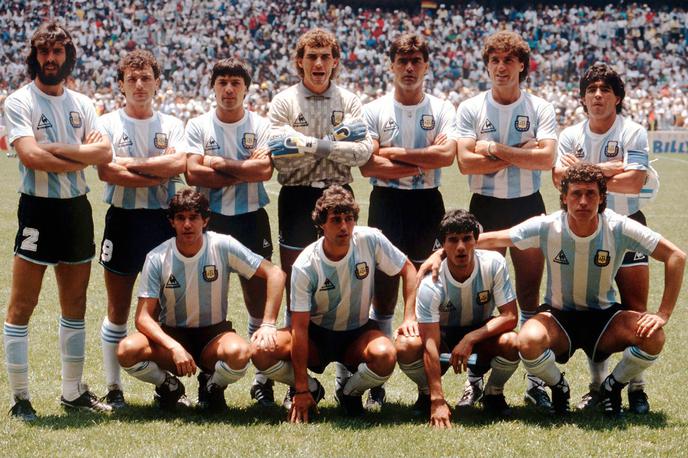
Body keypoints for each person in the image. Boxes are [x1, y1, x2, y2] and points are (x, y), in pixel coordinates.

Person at [480, 163, 685, 416]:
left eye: (591, 194)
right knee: (527, 340)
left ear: (601, 199)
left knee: (654, 337)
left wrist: (663, 313)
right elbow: (493, 239)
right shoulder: (548, 226)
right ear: (564, 197)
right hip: (558, 317)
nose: (583, 201)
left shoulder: (618, 226)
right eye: (576, 194)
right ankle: (558, 386)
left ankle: (612, 386)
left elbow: (676, 256)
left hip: (604, 317)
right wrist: (441, 254)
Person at [3, 21, 112, 421]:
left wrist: (59, 150)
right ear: (35, 56)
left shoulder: (83, 104)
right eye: (44, 52)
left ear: (68, 57)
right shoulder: (19, 101)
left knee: (75, 304)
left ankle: (72, 393)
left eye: (58, 52)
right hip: (37, 209)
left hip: (76, 210)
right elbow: (30, 157)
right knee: (22, 305)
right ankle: (20, 398)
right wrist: (80, 153)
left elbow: (104, 156)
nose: (51, 59)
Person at [454, 30, 557, 410]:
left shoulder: (540, 107)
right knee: (482, 298)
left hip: (528, 204)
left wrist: (495, 148)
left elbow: (546, 160)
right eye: (494, 60)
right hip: (484, 207)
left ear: (521, 66)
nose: (501, 67)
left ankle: (533, 382)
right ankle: (475, 381)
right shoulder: (470, 108)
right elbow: (466, 162)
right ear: (487, 66)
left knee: (529, 295)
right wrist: (521, 151)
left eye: (508, 60)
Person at [251, 186, 417, 421]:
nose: (344, 226)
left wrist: (409, 316)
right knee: (260, 351)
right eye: (336, 220)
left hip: (358, 333)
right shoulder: (306, 264)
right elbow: (299, 328)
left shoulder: (370, 239)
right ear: (321, 224)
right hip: (316, 337)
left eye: (349, 219)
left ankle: (350, 392)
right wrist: (301, 388)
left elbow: (408, 269)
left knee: (386, 355)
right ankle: (313, 389)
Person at [116, 189, 285, 411]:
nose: (187, 224)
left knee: (241, 353)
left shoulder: (222, 245)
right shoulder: (157, 257)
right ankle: (168, 386)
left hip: (213, 336)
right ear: (172, 222)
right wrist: (173, 346)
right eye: (181, 218)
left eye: (194, 217)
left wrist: (268, 324)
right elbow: (143, 317)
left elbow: (275, 274)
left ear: (205, 220)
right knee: (126, 350)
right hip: (172, 335)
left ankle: (213, 386)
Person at [553, 63, 659, 414]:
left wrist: (584, 173)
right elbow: (559, 179)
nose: (597, 95)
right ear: (583, 98)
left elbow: (634, 182)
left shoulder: (633, 131)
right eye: (591, 90)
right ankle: (598, 386)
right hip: (584, 229)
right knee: (593, 306)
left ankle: (635, 387)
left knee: (636, 311)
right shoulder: (570, 135)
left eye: (605, 89)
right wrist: (615, 168)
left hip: (628, 225)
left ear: (617, 97)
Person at [359, 32, 457, 410]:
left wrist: (396, 156)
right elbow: (368, 163)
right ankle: (377, 380)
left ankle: (422, 382)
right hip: (386, 202)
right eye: (403, 61)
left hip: (428, 204)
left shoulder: (442, 107)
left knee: (430, 287)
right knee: (383, 289)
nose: (410, 67)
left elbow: (446, 155)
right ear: (391, 66)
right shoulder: (374, 110)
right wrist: (420, 161)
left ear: (427, 65)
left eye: (416, 61)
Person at [96, 49, 187, 409]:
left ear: (156, 82)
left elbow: (179, 162)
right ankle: (113, 388)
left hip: (162, 222)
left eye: (145, 77)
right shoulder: (106, 124)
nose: (139, 84)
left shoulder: (172, 123)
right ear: (120, 85)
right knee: (118, 308)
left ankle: (166, 387)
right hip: (122, 220)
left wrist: (130, 165)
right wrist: (158, 170)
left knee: (165, 310)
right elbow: (106, 171)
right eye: (131, 78)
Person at [184, 58, 276, 407]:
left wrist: (218, 163)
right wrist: (244, 168)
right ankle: (211, 380)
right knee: (209, 300)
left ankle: (262, 380)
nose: (228, 89)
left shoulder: (261, 124)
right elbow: (193, 174)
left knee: (256, 300)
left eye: (235, 83)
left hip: (251, 217)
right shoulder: (198, 125)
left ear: (246, 88)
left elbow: (265, 170)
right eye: (222, 82)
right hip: (212, 221)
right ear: (213, 86)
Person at [268, 27, 373, 310]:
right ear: (299, 61)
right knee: (295, 271)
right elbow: (279, 160)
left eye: (325, 57)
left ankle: (344, 329)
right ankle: (295, 333)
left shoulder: (349, 100)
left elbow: (362, 153)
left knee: (343, 267)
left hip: (339, 193)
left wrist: (307, 145)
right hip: (296, 194)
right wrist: (332, 144)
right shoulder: (284, 101)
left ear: (335, 61)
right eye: (311, 56)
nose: (318, 63)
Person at [396, 210, 519, 427]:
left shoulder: (494, 263)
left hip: (480, 333)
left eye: (466, 239)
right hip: (442, 333)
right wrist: (438, 399)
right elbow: (431, 343)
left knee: (512, 341)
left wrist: (470, 338)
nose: (461, 246)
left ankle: (493, 393)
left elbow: (510, 316)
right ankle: (426, 394)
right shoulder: (431, 282)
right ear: (442, 246)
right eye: (452, 240)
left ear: (476, 240)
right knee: (406, 346)